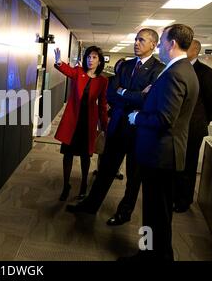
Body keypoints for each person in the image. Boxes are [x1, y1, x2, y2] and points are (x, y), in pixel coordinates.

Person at [67, 29, 164, 227]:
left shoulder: (159, 70)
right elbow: (111, 94)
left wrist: (124, 92)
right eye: (136, 39)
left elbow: (148, 100)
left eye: (141, 40)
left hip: (139, 131)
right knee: (105, 171)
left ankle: (124, 212)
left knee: (133, 177)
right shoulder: (126, 65)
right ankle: (91, 205)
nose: (136, 43)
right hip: (118, 127)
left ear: (153, 44)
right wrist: (134, 94)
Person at [124, 24, 199, 261]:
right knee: (159, 215)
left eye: (162, 41)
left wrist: (137, 117)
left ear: (172, 44)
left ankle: (150, 256)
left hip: (160, 155)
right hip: (166, 155)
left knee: (155, 213)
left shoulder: (175, 73)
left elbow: (164, 119)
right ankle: (157, 255)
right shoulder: (185, 70)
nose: (159, 46)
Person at [54, 46, 108, 201]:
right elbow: (67, 71)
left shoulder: (103, 81)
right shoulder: (78, 72)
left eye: (94, 57)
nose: (90, 60)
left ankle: (84, 185)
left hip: (88, 123)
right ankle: (66, 185)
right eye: (88, 57)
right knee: (68, 155)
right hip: (73, 121)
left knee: (86, 157)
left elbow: (103, 104)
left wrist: (104, 126)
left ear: (99, 61)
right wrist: (59, 62)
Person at [173, 40, 212, 212]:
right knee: (176, 163)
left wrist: (202, 121)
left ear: (196, 50)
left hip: (193, 127)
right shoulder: (177, 68)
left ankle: (184, 200)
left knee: (188, 165)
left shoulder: (206, 73)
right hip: (176, 127)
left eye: (187, 47)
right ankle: (174, 194)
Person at [93, 58, 125, 179]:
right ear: (116, 67)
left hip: (120, 117)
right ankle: (100, 168)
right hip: (106, 115)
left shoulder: (128, 82)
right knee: (103, 143)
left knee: (118, 145)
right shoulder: (109, 80)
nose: (121, 68)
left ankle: (117, 170)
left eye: (123, 66)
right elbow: (102, 96)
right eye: (119, 66)